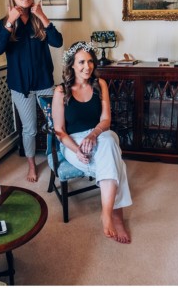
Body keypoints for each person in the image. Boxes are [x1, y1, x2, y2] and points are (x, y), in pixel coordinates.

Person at [52, 41, 132, 243]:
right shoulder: (61, 91)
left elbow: (106, 120)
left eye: (90, 62)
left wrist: (93, 134)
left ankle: (106, 213)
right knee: (116, 164)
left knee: (109, 140)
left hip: (99, 134)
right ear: (71, 65)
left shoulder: (100, 84)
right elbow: (59, 131)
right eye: (81, 62)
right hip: (73, 141)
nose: (86, 67)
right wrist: (77, 149)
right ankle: (116, 217)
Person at [0, 0, 63, 182]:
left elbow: (57, 42)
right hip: (20, 86)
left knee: (57, 124)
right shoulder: (4, 23)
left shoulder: (38, 20)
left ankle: (57, 158)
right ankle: (32, 165)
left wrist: (42, 15)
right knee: (30, 129)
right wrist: (9, 22)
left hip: (44, 84)